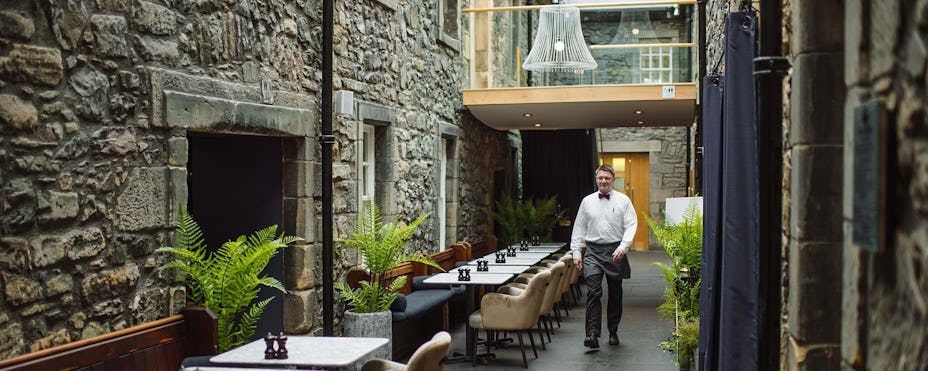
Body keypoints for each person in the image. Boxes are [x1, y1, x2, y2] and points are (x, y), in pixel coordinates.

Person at [570, 164, 638, 349]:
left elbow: (631, 224)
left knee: (615, 294)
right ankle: (592, 334)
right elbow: (579, 228)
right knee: (593, 292)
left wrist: (623, 247)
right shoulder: (587, 202)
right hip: (592, 251)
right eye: (600, 178)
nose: (603, 181)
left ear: (613, 179)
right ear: (596, 179)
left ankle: (613, 331)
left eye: (607, 178)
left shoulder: (623, 201)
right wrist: (576, 252)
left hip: (615, 251)